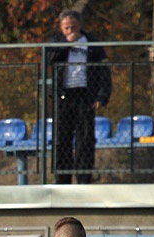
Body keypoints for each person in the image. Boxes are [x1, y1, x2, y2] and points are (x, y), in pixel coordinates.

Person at [46, 9, 111, 185]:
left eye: (73, 27)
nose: (70, 31)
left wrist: (102, 96)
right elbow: (49, 60)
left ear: (80, 25)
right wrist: (66, 44)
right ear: (61, 28)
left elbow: (104, 71)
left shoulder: (91, 42)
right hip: (64, 96)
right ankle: (62, 179)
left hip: (85, 96)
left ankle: (84, 179)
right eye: (66, 28)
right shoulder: (56, 42)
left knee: (85, 139)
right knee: (62, 139)